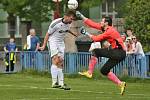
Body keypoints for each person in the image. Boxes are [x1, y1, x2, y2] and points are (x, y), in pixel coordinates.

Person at [76, 11, 126, 95]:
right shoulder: (107, 28)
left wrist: (86, 33)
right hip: (120, 54)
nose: (100, 22)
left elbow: (96, 39)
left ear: (106, 23)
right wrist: (82, 16)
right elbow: (93, 24)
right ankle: (121, 84)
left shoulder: (110, 31)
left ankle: (89, 72)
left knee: (95, 51)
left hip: (118, 52)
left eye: (102, 21)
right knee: (104, 71)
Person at [39, 10, 77, 90]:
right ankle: (54, 83)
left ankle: (61, 83)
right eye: (71, 19)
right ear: (66, 17)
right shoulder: (55, 23)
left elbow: (66, 29)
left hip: (60, 43)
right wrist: (43, 45)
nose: (71, 21)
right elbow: (47, 34)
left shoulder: (69, 24)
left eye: (73, 19)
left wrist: (73, 33)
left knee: (61, 62)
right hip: (53, 41)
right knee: (55, 60)